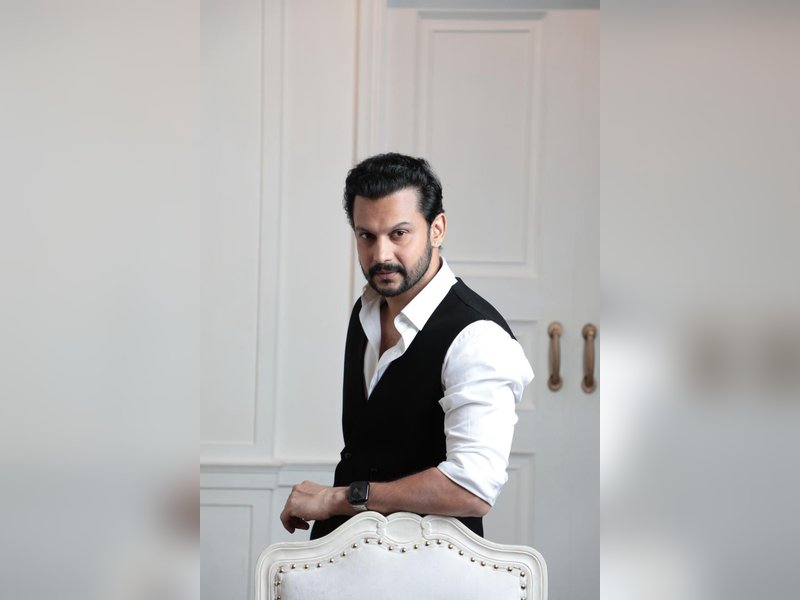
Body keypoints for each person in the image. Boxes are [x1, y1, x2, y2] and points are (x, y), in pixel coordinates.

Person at [280, 152, 533, 539]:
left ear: (437, 230)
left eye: (399, 234)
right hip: (346, 550)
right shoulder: (366, 310)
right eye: (366, 236)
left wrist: (336, 499)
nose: (381, 255)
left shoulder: (477, 337)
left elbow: (472, 488)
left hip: (430, 561)